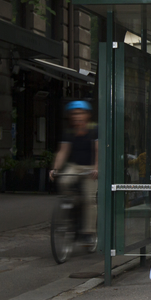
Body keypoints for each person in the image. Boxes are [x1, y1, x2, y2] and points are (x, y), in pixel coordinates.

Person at [50, 100, 98, 242]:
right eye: (74, 114)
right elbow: (63, 152)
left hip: (90, 168)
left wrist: (97, 168)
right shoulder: (69, 132)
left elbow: (98, 149)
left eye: (80, 113)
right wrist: (55, 169)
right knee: (64, 181)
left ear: (87, 115)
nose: (77, 117)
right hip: (75, 166)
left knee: (89, 199)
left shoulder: (94, 130)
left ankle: (89, 232)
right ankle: (71, 202)